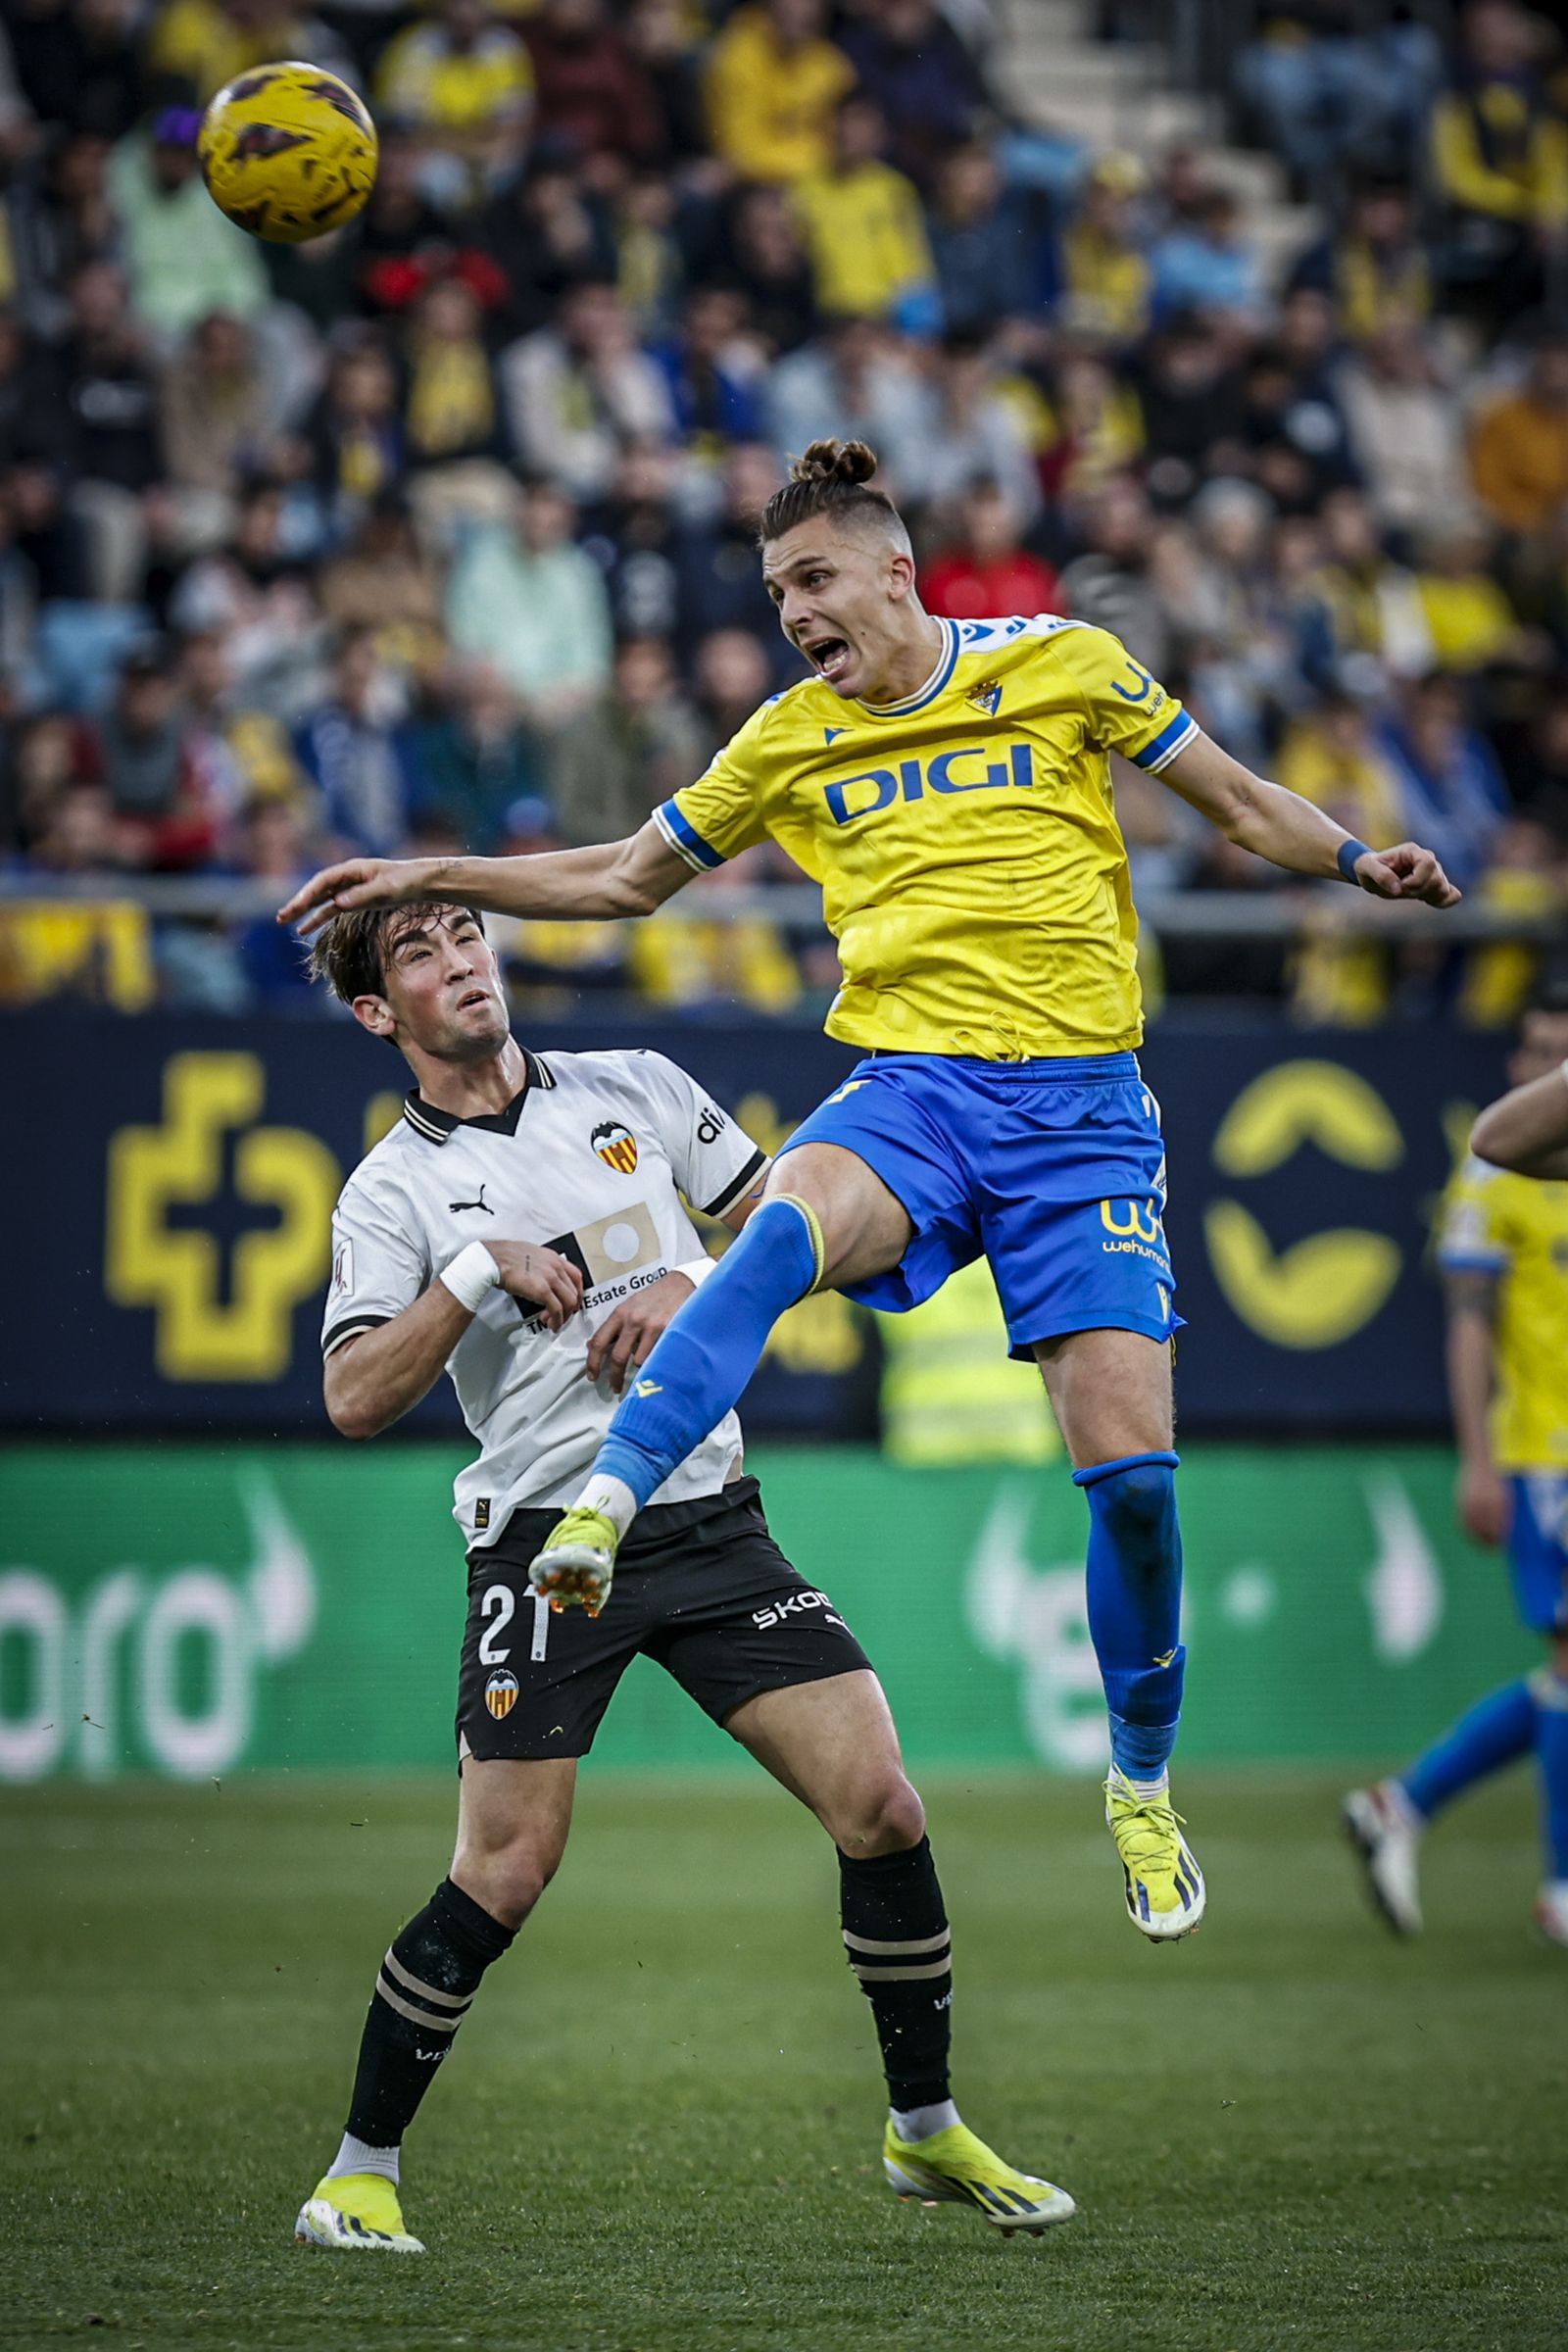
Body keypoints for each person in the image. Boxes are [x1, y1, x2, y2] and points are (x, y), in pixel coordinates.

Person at [280, 438, 1462, 1942]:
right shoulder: (788, 740)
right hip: (912, 1087)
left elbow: (1237, 801)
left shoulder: (1064, 665)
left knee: (1139, 1491)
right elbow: (621, 881)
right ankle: (605, 1505)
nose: (795, 616)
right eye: (778, 595)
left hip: (1085, 1114)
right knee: (775, 1233)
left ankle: (1144, 1784)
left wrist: (1360, 861)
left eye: (813, 582)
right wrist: (422, 871)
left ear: (897, 571)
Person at [292, 896, 1074, 2254]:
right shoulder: (394, 1191)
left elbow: (802, 1225)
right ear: (378, 1014)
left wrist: (696, 1279)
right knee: (506, 1872)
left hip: (707, 1516)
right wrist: (475, 1276)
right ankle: (357, 2173)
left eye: (464, 932)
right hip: (546, 1543)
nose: (460, 962)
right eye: (416, 953)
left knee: (883, 1803)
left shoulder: (636, 1090)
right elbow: (354, 1395)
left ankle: (924, 2127)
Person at [1344, 992, 1568, 1948]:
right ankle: (1560, 1886)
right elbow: (1469, 1325)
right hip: (1547, 1452)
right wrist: (1479, 1460)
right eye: (1536, 1049)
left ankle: (1401, 1803)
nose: (1539, 1066)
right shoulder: (1498, 1177)